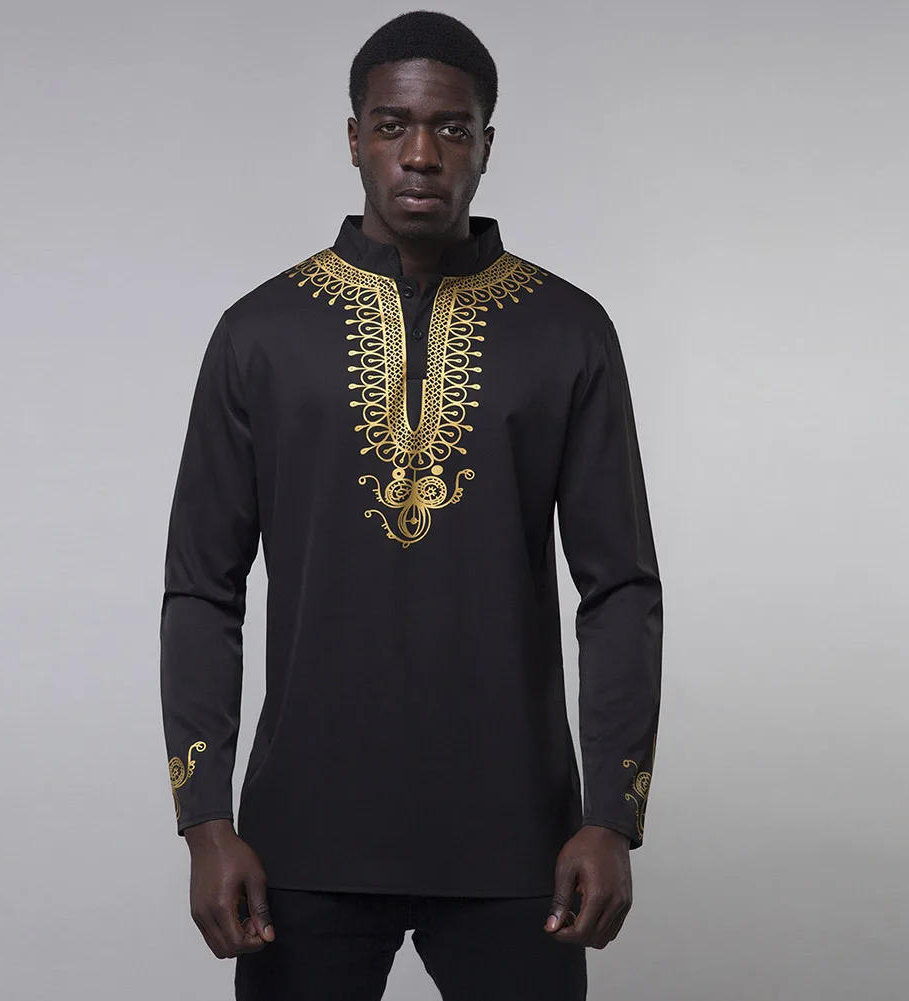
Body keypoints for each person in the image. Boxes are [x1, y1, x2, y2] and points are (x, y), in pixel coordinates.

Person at [159, 10, 662, 1000]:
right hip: (300, 838)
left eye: (450, 128)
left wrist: (611, 814)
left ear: (485, 144)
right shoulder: (260, 333)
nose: (421, 154)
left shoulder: (566, 330)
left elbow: (619, 588)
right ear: (353, 138)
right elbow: (201, 588)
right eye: (392, 125)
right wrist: (205, 821)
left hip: (519, 842)